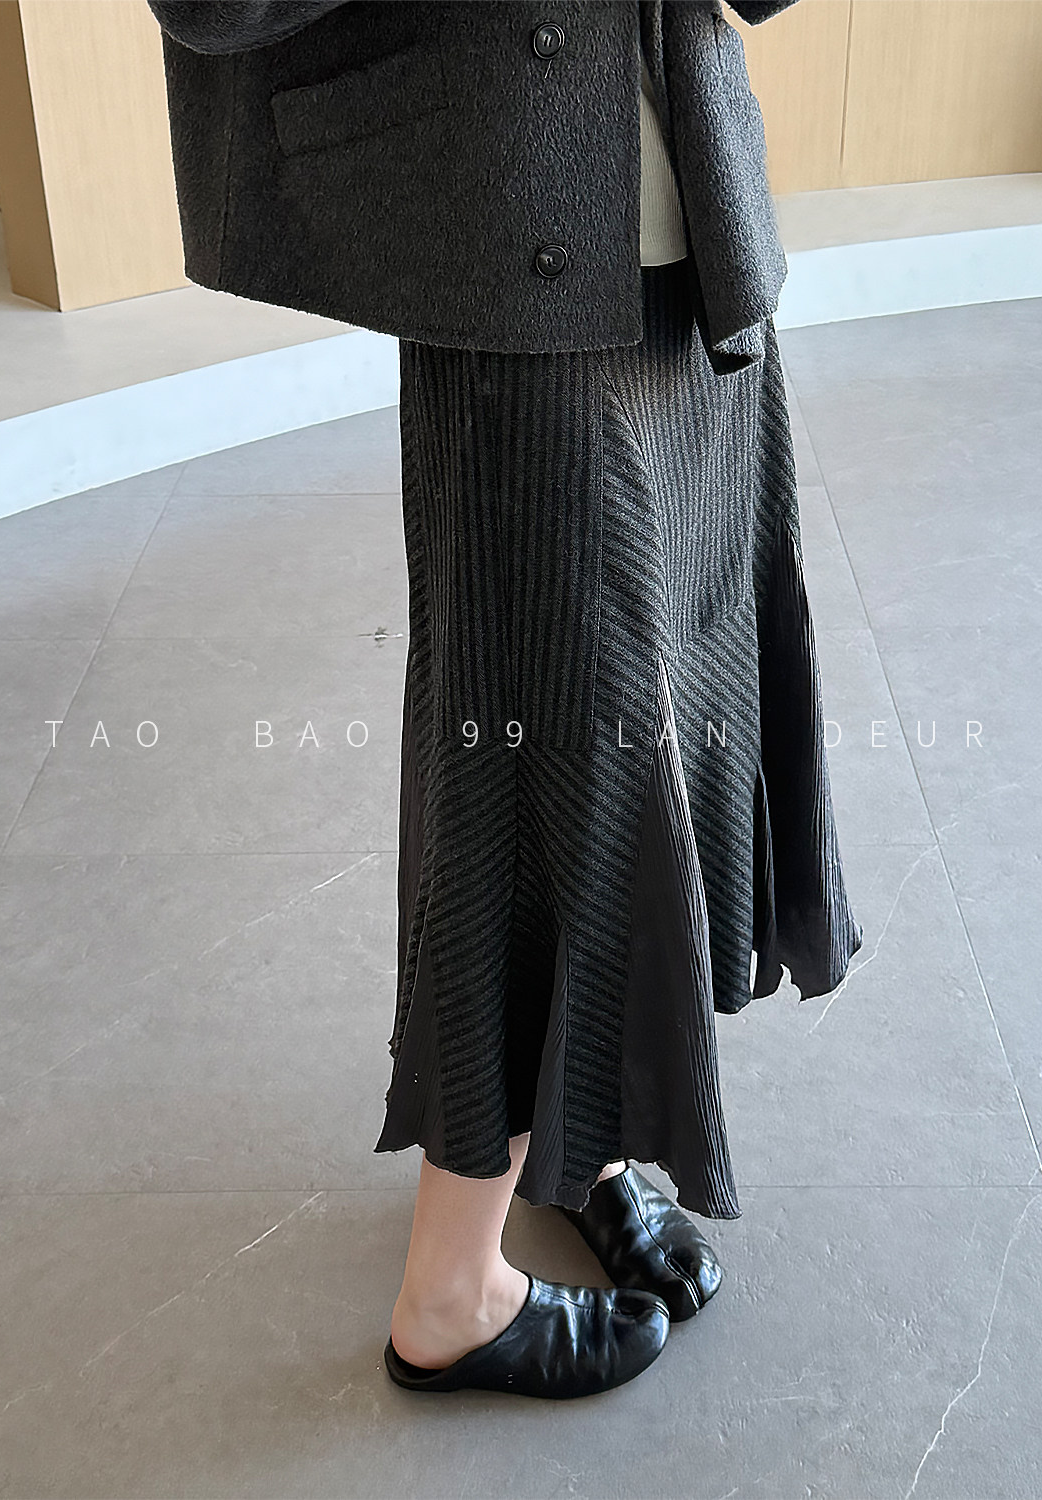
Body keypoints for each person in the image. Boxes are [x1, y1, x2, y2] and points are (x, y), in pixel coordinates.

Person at [146, 0, 862, 1400]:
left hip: (690, 229)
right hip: (508, 248)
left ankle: (571, 1139)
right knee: (544, 762)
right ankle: (451, 1289)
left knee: (673, 699)